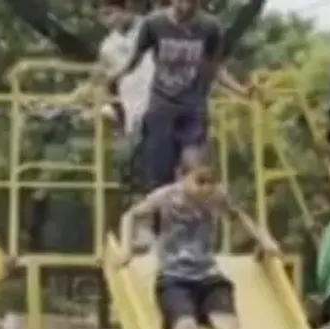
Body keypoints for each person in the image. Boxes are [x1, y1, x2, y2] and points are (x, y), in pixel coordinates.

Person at [113, 146, 286, 329]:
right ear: (181, 176)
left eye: (210, 182)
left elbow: (240, 216)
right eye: (200, 181)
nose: (205, 188)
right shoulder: (166, 197)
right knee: (185, 326)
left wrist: (265, 239)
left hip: (209, 276)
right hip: (174, 278)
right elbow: (131, 215)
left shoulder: (216, 197)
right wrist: (126, 248)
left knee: (228, 327)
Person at [107, 0, 252, 192]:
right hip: (162, 107)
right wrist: (113, 76)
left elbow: (214, 68)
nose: (187, 6)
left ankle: (196, 214)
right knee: (160, 178)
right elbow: (134, 60)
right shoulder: (154, 24)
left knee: (196, 168)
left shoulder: (210, 28)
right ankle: (158, 217)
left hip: (192, 107)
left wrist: (240, 90)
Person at [96, 0, 154, 139]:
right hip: (133, 106)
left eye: (111, 12)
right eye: (104, 14)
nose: (109, 19)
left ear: (127, 7)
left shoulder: (152, 27)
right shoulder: (108, 46)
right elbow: (109, 79)